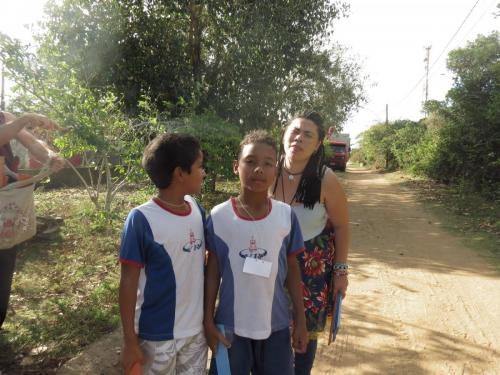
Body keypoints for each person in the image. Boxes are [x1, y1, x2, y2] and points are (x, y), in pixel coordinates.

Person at [204, 130, 308, 375]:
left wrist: (301, 322)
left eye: (267, 163)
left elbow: (293, 271)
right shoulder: (219, 217)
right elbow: (212, 271)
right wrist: (208, 321)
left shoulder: (285, 216)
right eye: (250, 162)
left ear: (276, 170)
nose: (258, 169)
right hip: (230, 328)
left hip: (277, 326)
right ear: (236, 167)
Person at [118, 133, 207, 375]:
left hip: (195, 334)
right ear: (180, 173)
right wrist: (129, 341)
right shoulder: (141, 219)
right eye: (200, 166)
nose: (204, 173)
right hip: (156, 338)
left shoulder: (198, 210)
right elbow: (128, 282)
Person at [271, 111, 350, 375]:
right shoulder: (267, 169)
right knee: (267, 327)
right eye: (295, 131)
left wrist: (340, 272)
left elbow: (341, 226)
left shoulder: (326, 179)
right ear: (284, 135)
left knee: (305, 335)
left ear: (317, 144)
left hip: (311, 267)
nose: (299, 139)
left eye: (308, 135)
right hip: (267, 261)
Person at [0, 111, 65, 329]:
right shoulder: (11, 122)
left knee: (3, 275)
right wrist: (24, 119)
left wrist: (49, 156)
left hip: (5, 211)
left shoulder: (3, 117)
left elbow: (31, 141)